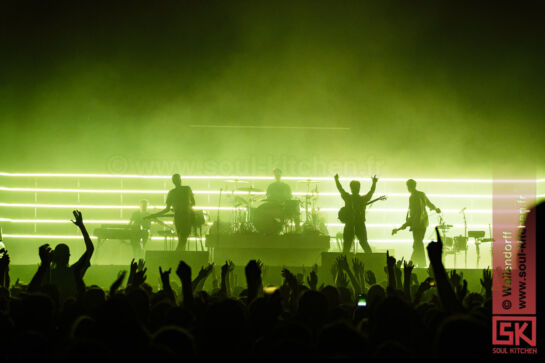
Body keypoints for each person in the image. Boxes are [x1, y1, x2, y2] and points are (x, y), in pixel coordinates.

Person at [392, 179, 441, 267]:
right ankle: (417, 263)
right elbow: (429, 204)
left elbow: (414, 214)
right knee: (418, 243)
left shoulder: (412, 197)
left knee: (417, 243)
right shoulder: (421, 194)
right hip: (423, 223)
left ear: (409, 187)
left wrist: (404, 225)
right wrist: (436, 208)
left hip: (416, 224)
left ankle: (416, 264)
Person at [50, 210, 94, 300]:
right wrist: (81, 226)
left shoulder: (49, 274)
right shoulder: (73, 272)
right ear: (68, 256)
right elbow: (90, 249)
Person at [147, 174, 195, 252]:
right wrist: (185, 207)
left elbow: (166, 209)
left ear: (173, 182)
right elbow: (193, 203)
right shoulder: (187, 189)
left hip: (178, 217)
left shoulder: (172, 192)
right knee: (183, 240)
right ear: (180, 180)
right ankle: (178, 257)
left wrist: (154, 215)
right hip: (186, 216)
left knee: (181, 239)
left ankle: (178, 257)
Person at [334, 174, 377, 254]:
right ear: (359, 188)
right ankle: (372, 261)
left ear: (351, 188)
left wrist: (336, 180)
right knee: (364, 243)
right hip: (360, 224)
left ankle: (344, 263)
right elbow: (371, 192)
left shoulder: (348, 198)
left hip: (349, 224)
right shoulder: (362, 199)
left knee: (347, 246)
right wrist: (374, 183)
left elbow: (340, 189)